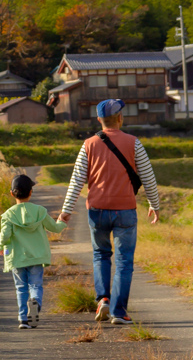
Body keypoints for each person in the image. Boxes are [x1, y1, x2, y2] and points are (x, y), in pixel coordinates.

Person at [59, 98, 160, 326]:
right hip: (125, 211)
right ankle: (118, 311)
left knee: (100, 255)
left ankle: (103, 299)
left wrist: (66, 210)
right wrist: (155, 204)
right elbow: (148, 178)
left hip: (97, 211)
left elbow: (77, 180)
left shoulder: (88, 144)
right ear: (120, 118)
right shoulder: (134, 143)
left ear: (99, 120)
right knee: (124, 261)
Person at [0, 172, 67, 329]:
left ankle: (23, 319)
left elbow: (5, 234)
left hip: (17, 257)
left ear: (11, 193)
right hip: (36, 256)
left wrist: (1, 245)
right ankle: (35, 302)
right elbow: (54, 228)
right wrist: (62, 221)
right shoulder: (40, 211)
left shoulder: (8, 215)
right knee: (35, 285)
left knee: (20, 288)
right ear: (31, 192)